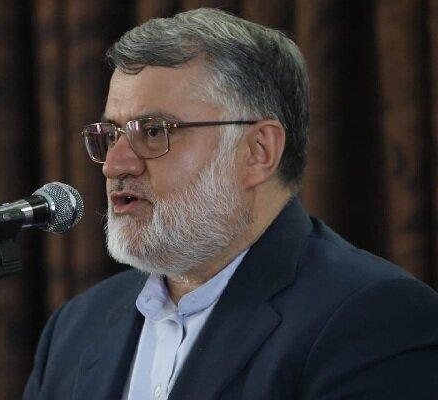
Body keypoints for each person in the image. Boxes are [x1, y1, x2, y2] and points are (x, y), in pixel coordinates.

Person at [23, 8, 438, 400]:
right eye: (111, 135)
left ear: (258, 151)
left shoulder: (374, 317)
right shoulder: (75, 328)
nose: (115, 165)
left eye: (153, 131)